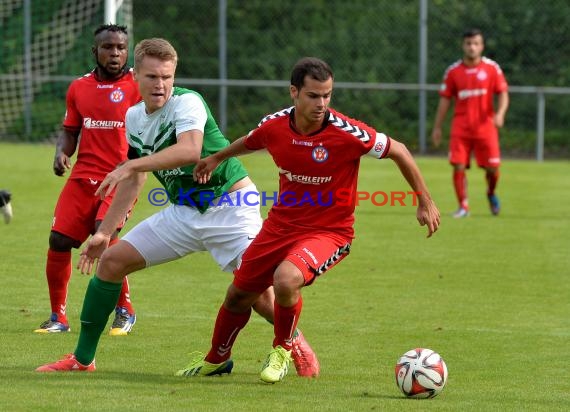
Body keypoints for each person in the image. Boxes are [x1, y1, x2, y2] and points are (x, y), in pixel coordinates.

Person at [35, 38, 319, 377]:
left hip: (230, 206)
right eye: (152, 77)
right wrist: (104, 232)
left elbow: (189, 151)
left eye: (167, 76)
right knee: (110, 261)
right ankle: (82, 360)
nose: (161, 84)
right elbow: (134, 181)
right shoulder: (134, 117)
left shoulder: (188, 102)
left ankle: (295, 342)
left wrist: (132, 165)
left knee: (257, 295)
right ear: (136, 76)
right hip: (183, 213)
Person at [178, 57, 441, 383]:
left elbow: (398, 150)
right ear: (294, 93)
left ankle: (282, 349)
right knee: (237, 295)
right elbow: (250, 142)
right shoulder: (275, 126)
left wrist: (424, 200)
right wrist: (217, 157)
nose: (322, 104)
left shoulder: (347, 132)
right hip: (280, 226)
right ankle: (217, 358)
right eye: (314, 96)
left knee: (285, 280)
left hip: (329, 232)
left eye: (327, 95)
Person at [35, 24, 141, 335]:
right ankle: (58, 317)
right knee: (58, 240)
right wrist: (60, 153)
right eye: (108, 47)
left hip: (119, 177)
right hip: (82, 177)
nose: (116, 53)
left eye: (121, 47)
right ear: (95, 51)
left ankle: (125, 310)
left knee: (103, 236)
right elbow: (70, 131)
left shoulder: (138, 85)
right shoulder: (78, 87)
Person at [431, 28, 509, 218]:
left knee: (493, 169)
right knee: (458, 165)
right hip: (461, 127)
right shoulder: (453, 71)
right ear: (463, 45)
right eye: (468, 43)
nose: (472, 47)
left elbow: (503, 93)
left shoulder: (492, 68)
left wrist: (500, 114)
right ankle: (463, 207)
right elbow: (445, 100)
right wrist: (437, 127)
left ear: (481, 46)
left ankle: (490, 193)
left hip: (486, 127)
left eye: (476, 43)